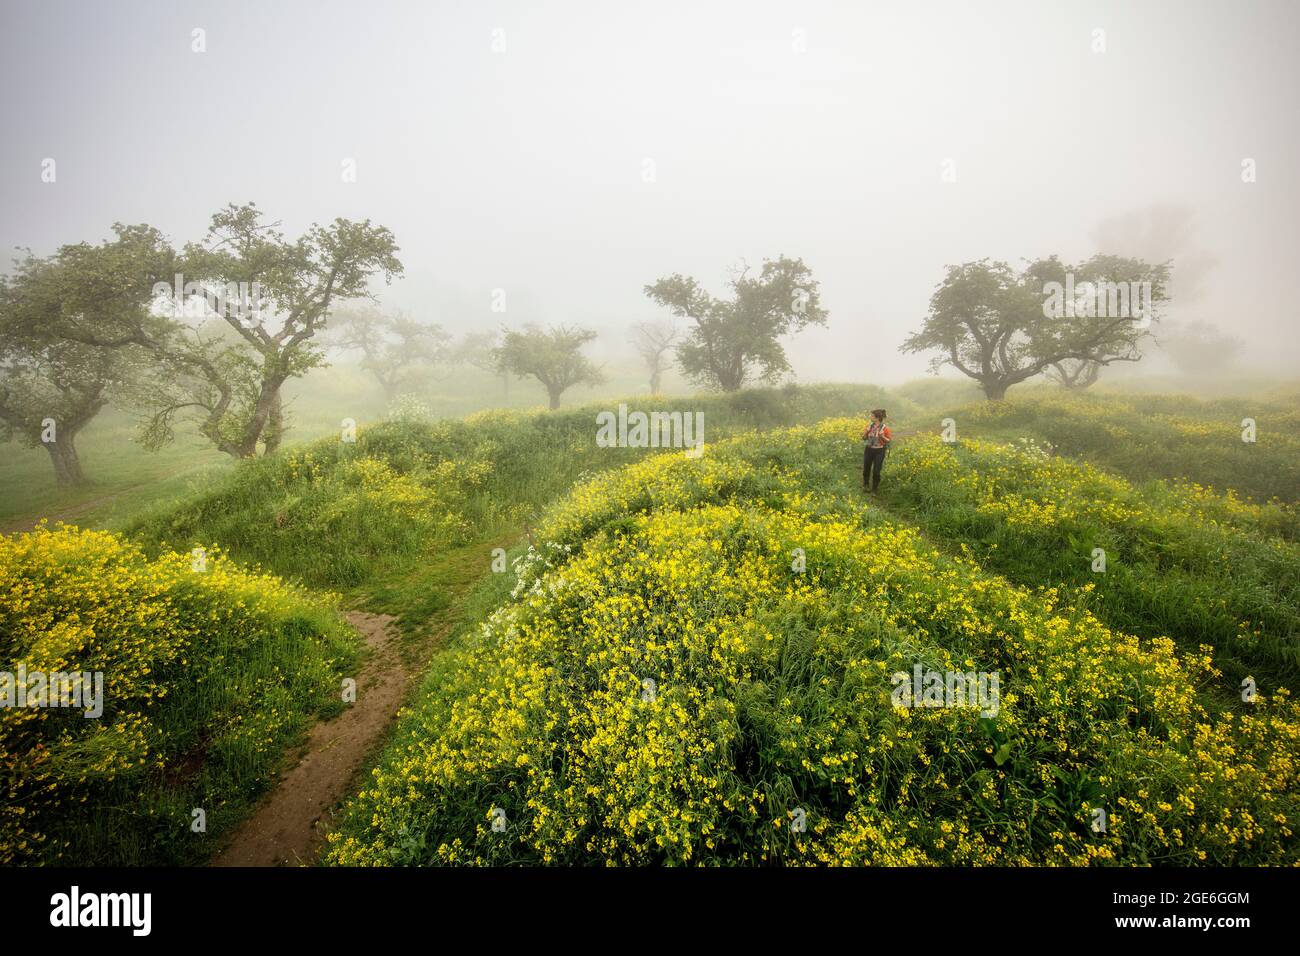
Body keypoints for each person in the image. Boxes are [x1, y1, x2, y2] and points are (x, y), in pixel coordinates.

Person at [862, 408, 892, 493]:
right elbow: (863, 438)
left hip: (879, 451)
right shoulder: (869, 426)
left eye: (871, 415)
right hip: (868, 450)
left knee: (876, 470)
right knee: (866, 468)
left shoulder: (885, 428)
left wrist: (882, 436)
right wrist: (866, 432)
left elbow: (888, 440)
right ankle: (866, 485)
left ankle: (874, 489)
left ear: (877, 418)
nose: (870, 417)